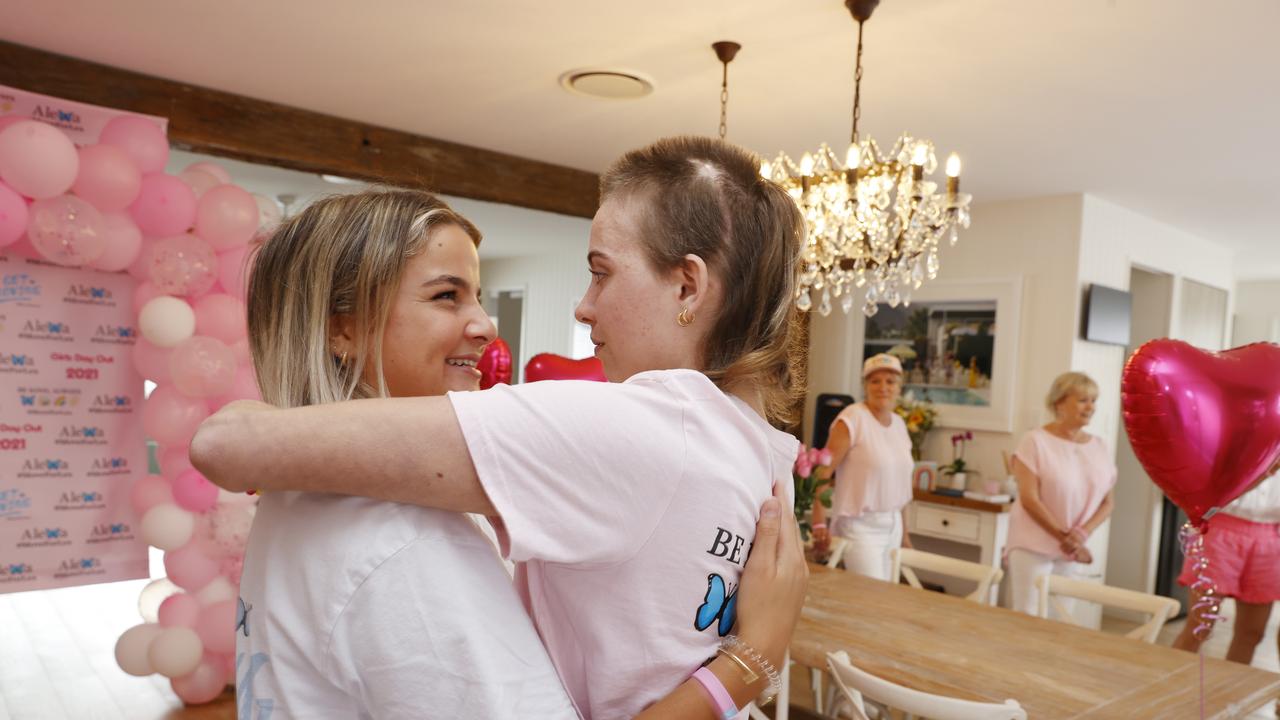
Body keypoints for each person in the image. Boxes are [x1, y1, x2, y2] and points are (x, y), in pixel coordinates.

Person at [193, 136, 810, 720]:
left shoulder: (643, 426)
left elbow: (230, 445)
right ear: (341, 328)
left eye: (601, 272)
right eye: (445, 297)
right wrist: (749, 663)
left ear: (687, 284)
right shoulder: (752, 446)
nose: (488, 326)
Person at [1006, 371, 1116, 616]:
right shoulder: (1034, 441)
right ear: (1059, 403)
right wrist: (1063, 536)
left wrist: (1079, 535)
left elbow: (1108, 503)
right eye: (1082, 400)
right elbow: (1029, 498)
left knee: (1062, 617)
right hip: (1033, 545)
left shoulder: (1100, 446)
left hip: (1071, 549)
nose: (1090, 407)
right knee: (1029, 615)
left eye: (1093, 401)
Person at [811, 353, 914, 581]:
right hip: (860, 526)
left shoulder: (899, 425)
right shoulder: (852, 419)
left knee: (886, 600)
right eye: (875, 381)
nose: (883, 387)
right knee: (871, 597)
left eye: (890, 381)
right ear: (865, 385)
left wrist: (905, 533)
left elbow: (902, 485)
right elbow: (823, 473)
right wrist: (819, 521)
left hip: (893, 524)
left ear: (900, 387)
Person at [1172, 466, 1280, 665]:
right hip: (1219, 530)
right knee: (1199, 626)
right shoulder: (1245, 439)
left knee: (1252, 633)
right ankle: (1166, 688)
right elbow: (1216, 493)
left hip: (1271, 540)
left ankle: (1231, 695)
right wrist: (1268, 467)